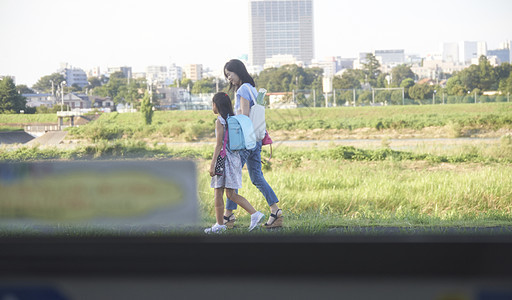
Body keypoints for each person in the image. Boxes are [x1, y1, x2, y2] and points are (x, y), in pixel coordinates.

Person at [223, 59, 283, 229]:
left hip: (245, 141)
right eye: (227, 76)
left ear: (238, 71)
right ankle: (275, 211)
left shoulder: (242, 90)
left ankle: (228, 216)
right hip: (256, 140)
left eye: (230, 75)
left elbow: (245, 118)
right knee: (256, 177)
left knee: (233, 177)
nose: (229, 79)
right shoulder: (253, 89)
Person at [205, 92, 265, 234]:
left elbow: (219, 144)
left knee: (218, 193)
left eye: (212, 104)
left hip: (223, 160)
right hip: (234, 159)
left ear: (216, 105)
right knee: (231, 194)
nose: (212, 107)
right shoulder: (233, 119)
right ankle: (255, 214)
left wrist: (212, 164)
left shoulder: (220, 121)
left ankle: (219, 225)